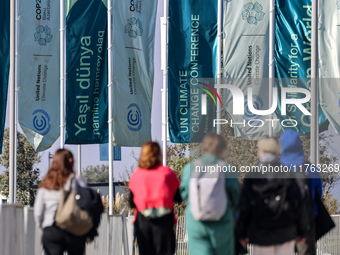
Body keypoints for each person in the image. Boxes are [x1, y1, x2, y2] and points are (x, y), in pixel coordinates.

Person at [236, 137, 308, 255]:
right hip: (286, 231)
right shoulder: (287, 173)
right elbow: (298, 204)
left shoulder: (253, 175)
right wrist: (302, 231)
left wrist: (242, 233)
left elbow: (244, 206)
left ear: (261, 151)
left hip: (260, 232)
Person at [180, 133, 239, 255]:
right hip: (223, 221)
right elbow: (235, 196)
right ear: (223, 149)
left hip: (196, 221)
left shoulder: (190, 168)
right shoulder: (228, 169)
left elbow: (184, 193)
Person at [128, 141, 182, 255]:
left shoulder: (137, 175)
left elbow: (131, 203)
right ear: (159, 154)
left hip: (143, 223)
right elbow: (179, 197)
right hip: (164, 223)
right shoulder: (167, 173)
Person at [34, 149, 89, 255]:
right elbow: (87, 201)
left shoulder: (46, 183)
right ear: (70, 161)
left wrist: (44, 228)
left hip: (52, 229)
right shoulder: (76, 180)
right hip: (74, 228)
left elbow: (38, 212)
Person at [280, 129, 323, 255]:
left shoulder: (276, 168)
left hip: (283, 221)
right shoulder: (311, 169)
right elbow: (318, 194)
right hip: (307, 219)